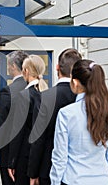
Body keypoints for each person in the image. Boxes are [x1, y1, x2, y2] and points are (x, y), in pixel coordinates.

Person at [50, 59, 108, 185]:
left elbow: (60, 158)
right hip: (103, 180)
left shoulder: (66, 114)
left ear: (76, 82)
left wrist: (55, 181)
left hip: (74, 179)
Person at [27, 48, 82, 185]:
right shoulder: (88, 98)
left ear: (57, 67)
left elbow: (38, 138)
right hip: (81, 170)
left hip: (49, 167)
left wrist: (33, 172)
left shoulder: (45, 97)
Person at [0, 50, 28, 185]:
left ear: (13, 67)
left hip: (9, 152)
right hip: (29, 153)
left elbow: (0, 124)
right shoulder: (36, 89)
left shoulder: (7, 91)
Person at [7, 55, 48, 185]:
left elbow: (17, 133)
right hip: (43, 157)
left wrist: (11, 162)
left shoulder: (24, 96)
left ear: (26, 72)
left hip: (24, 157)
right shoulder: (47, 94)